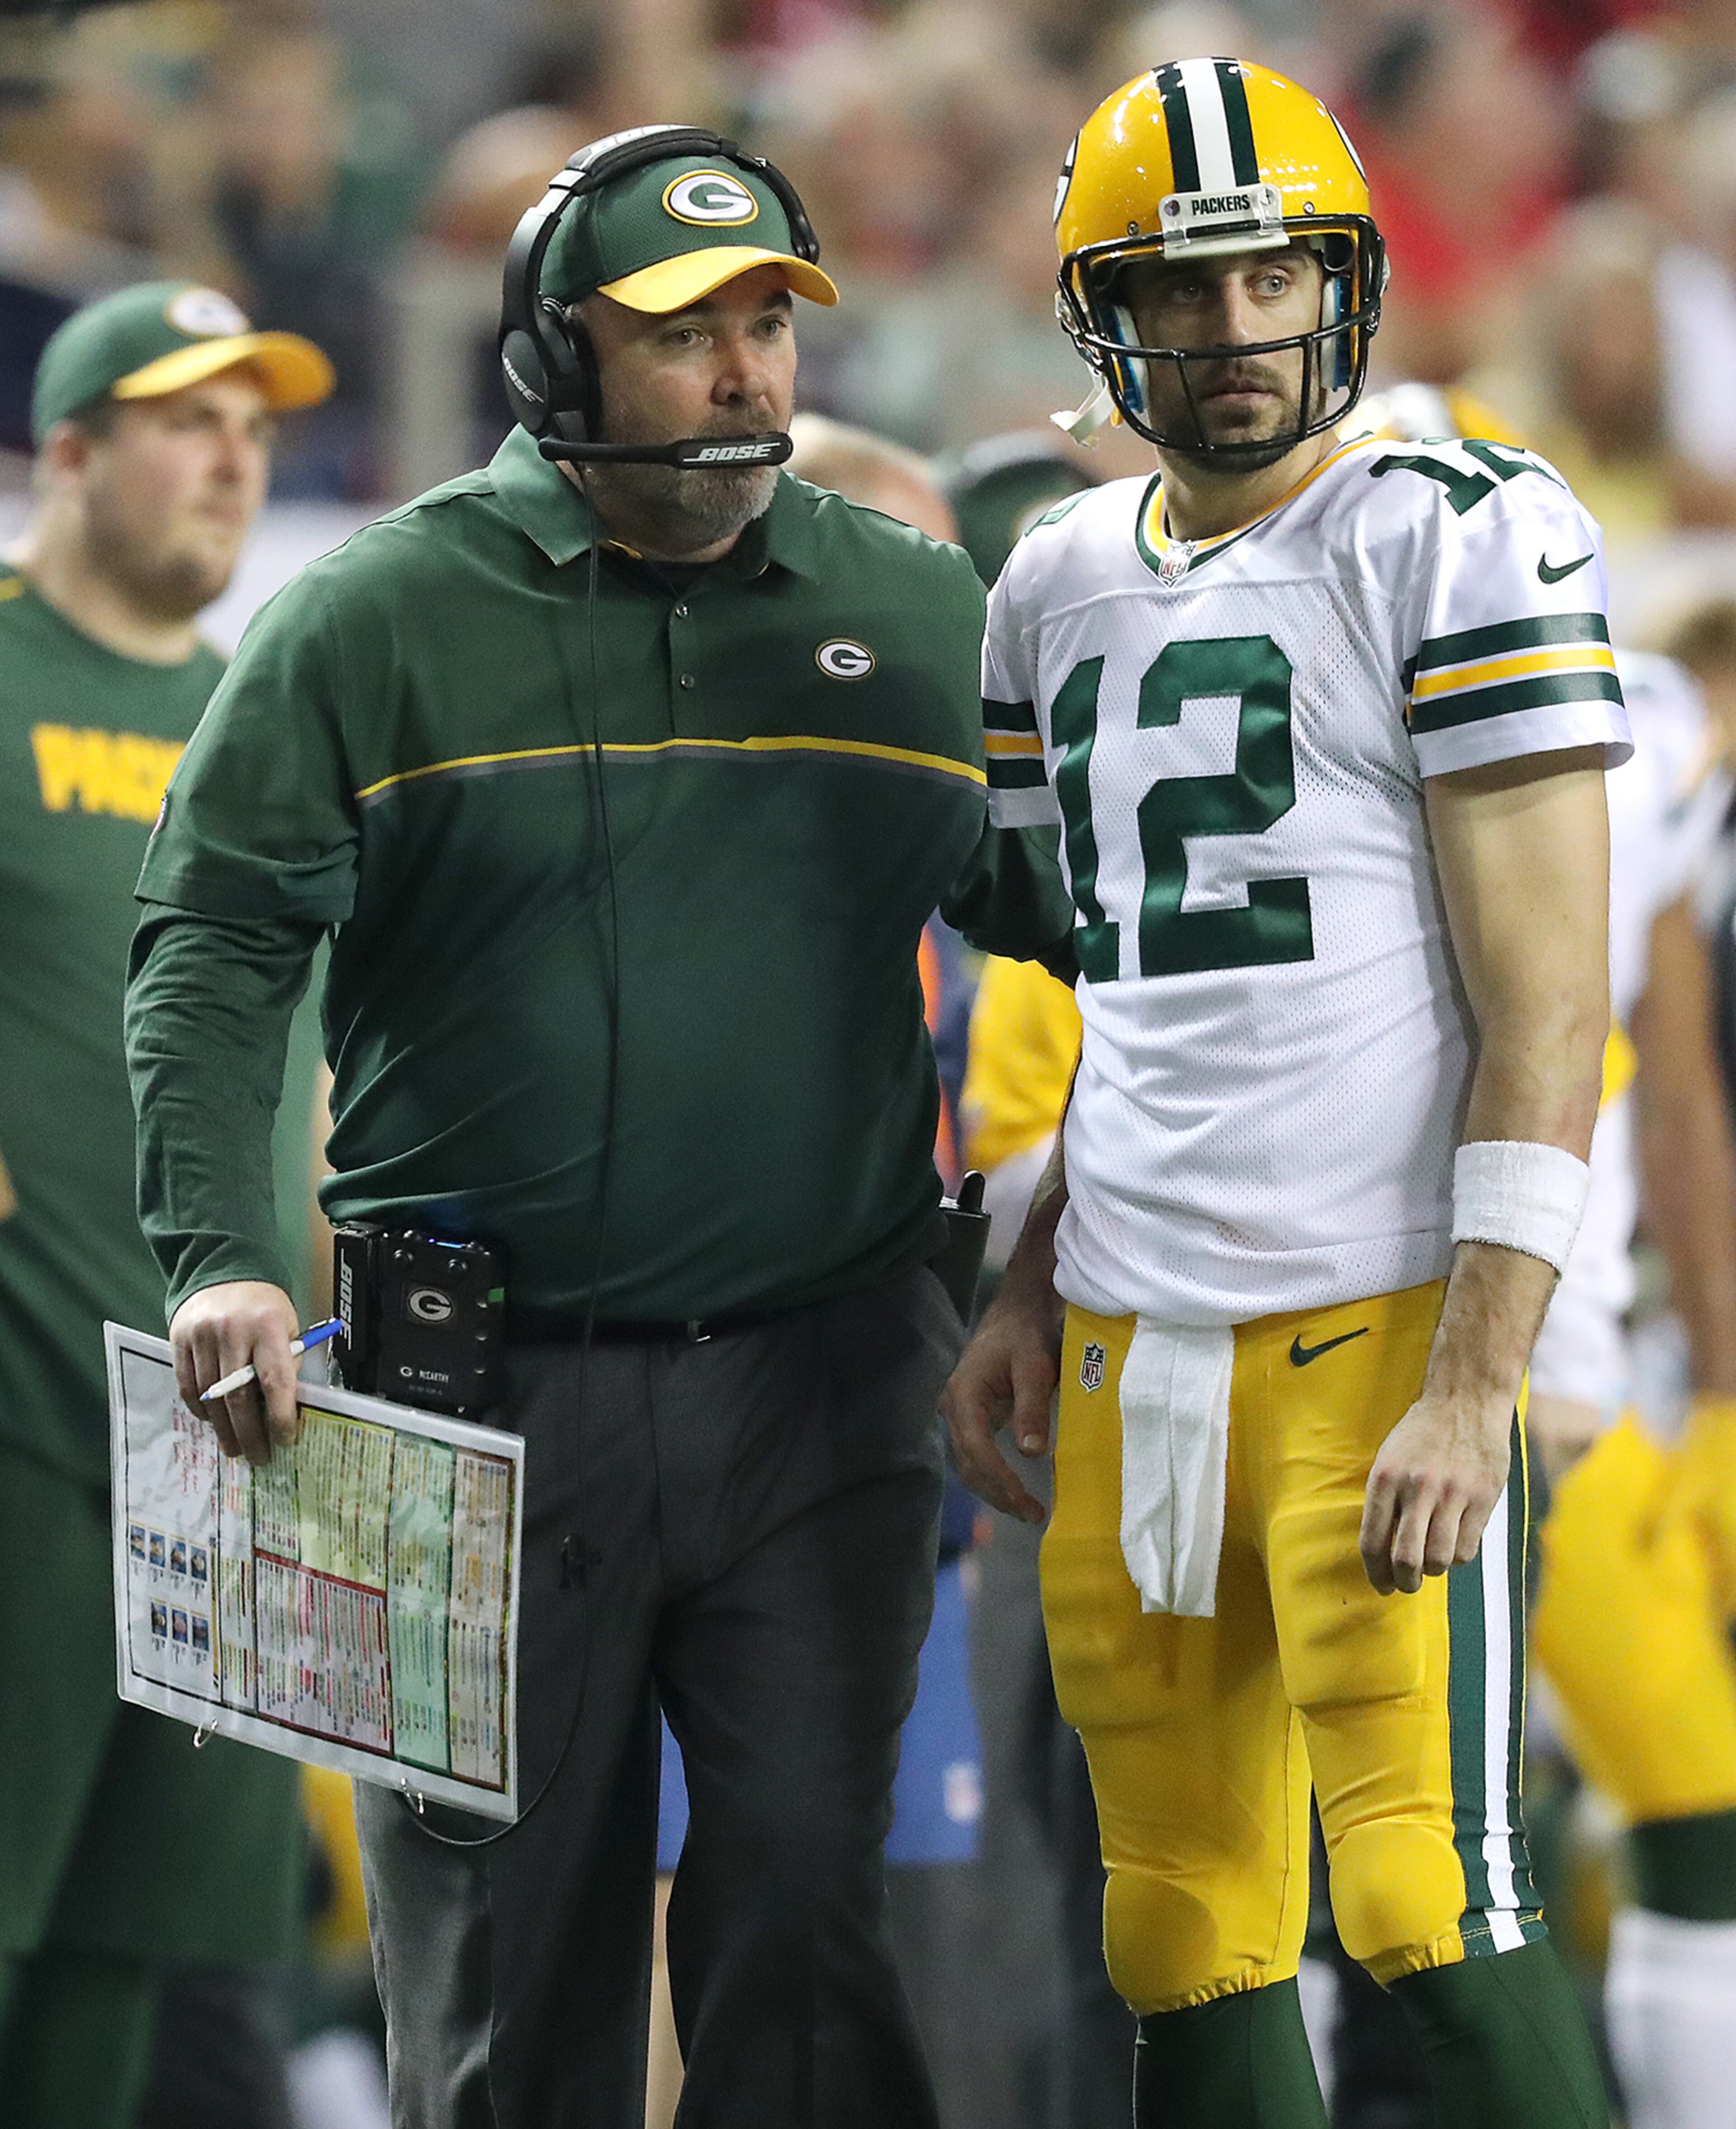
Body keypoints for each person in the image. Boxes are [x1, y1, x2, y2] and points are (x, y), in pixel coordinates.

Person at [123, 127, 1066, 2129]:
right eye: (682, 334)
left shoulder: (915, 610)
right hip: (469, 1399)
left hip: (823, 1383)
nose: (744, 374)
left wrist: (1057, 1255)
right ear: (555, 352)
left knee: (808, 1937)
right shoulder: (376, 615)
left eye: (769, 325)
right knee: (506, 1991)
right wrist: (215, 1251)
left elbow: (1100, 930)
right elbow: (210, 942)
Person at [942, 59, 1625, 2127]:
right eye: (1178, 286)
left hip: (1383, 1318)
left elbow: (1549, 1001)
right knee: (1177, 1918)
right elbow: (1140, 998)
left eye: (1272, 277)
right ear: (1104, 315)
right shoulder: (1053, 577)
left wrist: (1479, 1376)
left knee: (1431, 1895)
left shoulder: (1452, 526)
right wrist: (1028, 1278)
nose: (1234, 327)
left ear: (1346, 280)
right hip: (1136, 1332)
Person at [0, 281, 332, 2129]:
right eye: (184, 420)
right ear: (66, 451)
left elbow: (332, 1080)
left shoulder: (261, 723)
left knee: (137, 1947)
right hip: (19, 1416)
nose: (231, 461)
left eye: (256, 431)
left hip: (227, 1448)